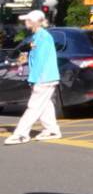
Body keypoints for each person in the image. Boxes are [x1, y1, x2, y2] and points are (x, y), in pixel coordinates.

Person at [4, 10, 60, 144]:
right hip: (46, 77)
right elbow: (36, 57)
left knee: (34, 106)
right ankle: (52, 130)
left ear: (34, 22)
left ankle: (21, 134)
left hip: (43, 77)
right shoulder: (38, 36)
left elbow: (41, 60)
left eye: (27, 20)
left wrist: (34, 79)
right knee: (45, 104)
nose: (25, 23)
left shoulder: (42, 37)